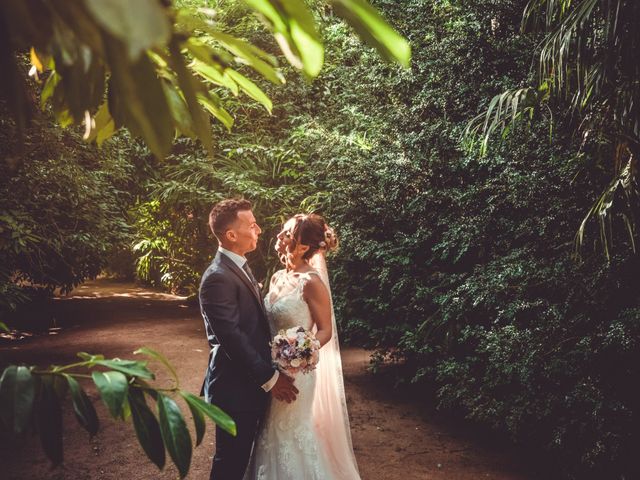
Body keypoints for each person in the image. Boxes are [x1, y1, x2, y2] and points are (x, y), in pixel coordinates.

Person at [243, 213, 361, 480]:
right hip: (270, 371)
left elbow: (325, 330)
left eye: (286, 234)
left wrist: (302, 350)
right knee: (269, 430)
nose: (278, 237)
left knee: (289, 431)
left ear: (304, 246)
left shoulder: (312, 283)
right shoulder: (276, 278)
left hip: (297, 372)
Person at [199, 198, 299, 480]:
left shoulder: (238, 267)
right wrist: (270, 378)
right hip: (235, 388)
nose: (259, 230)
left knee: (241, 458)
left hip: (247, 386)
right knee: (230, 462)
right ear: (231, 235)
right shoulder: (217, 277)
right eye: (252, 225)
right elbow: (232, 338)